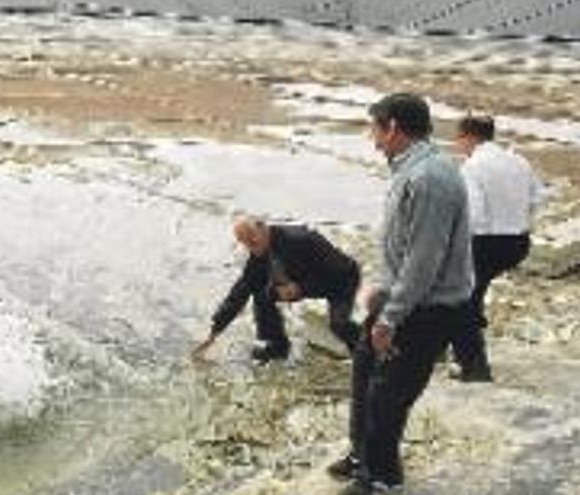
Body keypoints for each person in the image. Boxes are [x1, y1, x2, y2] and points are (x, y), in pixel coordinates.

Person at [328, 93, 473, 494]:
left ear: (392, 127)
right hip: (398, 299)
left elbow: (424, 261)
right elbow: (402, 246)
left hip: (424, 309)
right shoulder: (410, 170)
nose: (372, 138)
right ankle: (362, 457)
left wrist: (391, 318)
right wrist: (381, 293)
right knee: (363, 377)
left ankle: (381, 480)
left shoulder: (429, 178)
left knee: (387, 399)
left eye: (375, 128)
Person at [191, 216, 362, 364]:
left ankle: (370, 350)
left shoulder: (301, 239)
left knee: (339, 324)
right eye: (246, 244)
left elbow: (341, 271)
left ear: (264, 228)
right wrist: (214, 332)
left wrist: (302, 288)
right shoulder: (258, 254)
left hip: (341, 279)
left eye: (252, 240)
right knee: (262, 294)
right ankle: (276, 346)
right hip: (299, 284)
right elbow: (240, 292)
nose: (251, 248)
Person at [451, 115, 544, 382]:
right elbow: (539, 197)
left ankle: (474, 367)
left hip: (486, 243)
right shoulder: (518, 160)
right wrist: (517, 218)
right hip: (518, 242)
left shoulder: (472, 167)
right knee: (472, 295)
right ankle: (460, 351)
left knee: (462, 301)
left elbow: (475, 215)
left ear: (468, 136)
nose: (458, 144)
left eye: (458, 139)